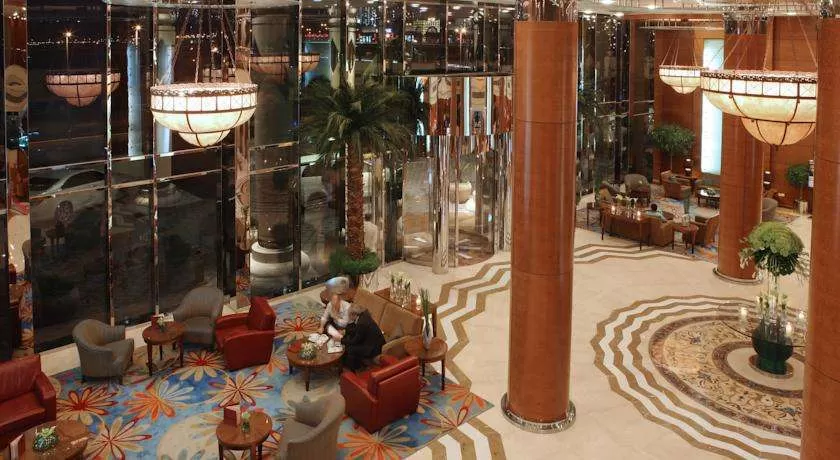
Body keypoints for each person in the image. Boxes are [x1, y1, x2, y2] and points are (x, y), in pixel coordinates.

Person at [340, 303, 386, 371]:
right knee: (349, 336)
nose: (348, 317)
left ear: (354, 315)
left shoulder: (362, 323)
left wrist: (341, 340)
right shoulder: (364, 315)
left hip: (373, 348)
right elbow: (358, 330)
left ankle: (352, 369)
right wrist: (346, 331)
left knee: (350, 349)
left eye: (349, 315)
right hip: (373, 340)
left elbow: (354, 341)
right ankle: (350, 363)